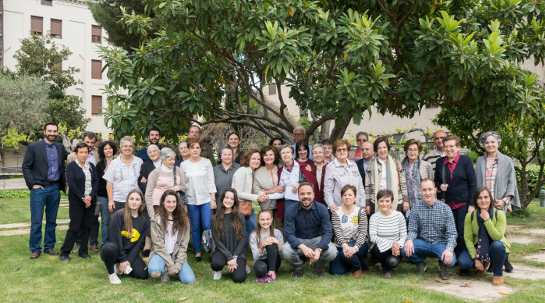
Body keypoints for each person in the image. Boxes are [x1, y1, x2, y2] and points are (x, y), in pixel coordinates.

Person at [22, 122, 69, 259]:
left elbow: (71, 156)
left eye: (55, 131)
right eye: (50, 131)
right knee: (36, 220)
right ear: (44, 132)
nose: (52, 134)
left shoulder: (60, 147)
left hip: (55, 188)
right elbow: (26, 167)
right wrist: (32, 184)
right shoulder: (33, 147)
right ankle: (35, 249)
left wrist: (89, 150)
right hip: (39, 189)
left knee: (52, 220)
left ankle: (49, 247)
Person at [475, 131, 520, 273]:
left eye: (492, 142)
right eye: (487, 142)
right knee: (487, 231)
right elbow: (476, 184)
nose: (490, 144)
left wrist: (506, 201)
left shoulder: (506, 160)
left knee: (499, 234)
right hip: (484, 203)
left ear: (498, 143)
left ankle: (503, 260)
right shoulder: (480, 161)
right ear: (484, 145)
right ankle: (498, 261)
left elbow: (511, 183)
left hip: (499, 203)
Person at [434, 134, 477, 268]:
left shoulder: (466, 161)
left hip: (463, 204)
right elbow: (435, 181)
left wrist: (471, 204)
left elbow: (473, 184)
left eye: (452, 146)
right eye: (446, 146)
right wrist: (440, 186)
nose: (448, 149)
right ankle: (450, 258)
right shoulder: (440, 162)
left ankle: (461, 258)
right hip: (446, 204)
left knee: (462, 233)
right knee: (449, 232)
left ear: (458, 147)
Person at [402, 179, 458, 280]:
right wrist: (409, 239)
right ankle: (420, 263)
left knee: (452, 261)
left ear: (435, 190)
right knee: (403, 249)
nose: (427, 193)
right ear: (420, 191)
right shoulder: (416, 208)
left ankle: (443, 265)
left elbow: (452, 233)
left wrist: (449, 249)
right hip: (422, 243)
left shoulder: (445, 209)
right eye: (424, 190)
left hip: (439, 243)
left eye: (430, 189)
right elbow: (413, 229)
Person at [457, 187, 510, 285]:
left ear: (490, 199)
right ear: (476, 200)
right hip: (478, 247)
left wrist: (487, 220)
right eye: (479, 198)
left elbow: (497, 237)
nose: (483, 200)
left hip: (495, 247)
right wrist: (476, 258)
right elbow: (468, 239)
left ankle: (498, 274)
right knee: (463, 263)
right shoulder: (470, 216)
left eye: (486, 197)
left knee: (497, 245)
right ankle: (483, 262)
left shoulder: (500, 214)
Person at [283, 183, 337, 278]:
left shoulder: (322, 208)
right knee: (285, 250)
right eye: (302, 194)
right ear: (298, 195)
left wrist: (319, 249)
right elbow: (288, 233)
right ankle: (298, 267)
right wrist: (303, 247)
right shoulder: (290, 210)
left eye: (309, 193)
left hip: (317, 239)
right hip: (299, 240)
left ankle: (319, 266)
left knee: (332, 251)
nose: (306, 196)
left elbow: (328, 232)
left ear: (313, 194)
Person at [59, 143, 100, 261]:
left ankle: (83, 251)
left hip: (90, 201)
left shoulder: (91, 165)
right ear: (76, 154)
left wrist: (90, 197)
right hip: (76, 201)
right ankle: (64, 253)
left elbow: (96, 182)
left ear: (88, 153)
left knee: (87, 227)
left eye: (85, 152)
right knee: (74, 227)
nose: (83, 155)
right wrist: (83, 198)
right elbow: (72, 184)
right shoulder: (71, 166)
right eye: (81, 152)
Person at [100, 190, 149, 284]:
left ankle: (119, 267)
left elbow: (137, 245)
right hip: (114, 251)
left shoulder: (143, 221)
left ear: (141, 202)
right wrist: (123, 259)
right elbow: (115, 239)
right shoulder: (118, 215)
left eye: (137, 199)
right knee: (109, 247)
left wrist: (128, 261)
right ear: (127, 201)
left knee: (142, 275)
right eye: (131, 199)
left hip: (128, 253)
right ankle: (111, 273)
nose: (134, 202)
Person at [147, 190, 195, 284]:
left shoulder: (184, 220)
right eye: (168, 202)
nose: (171, 204)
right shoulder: (156, 220)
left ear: (177, 203)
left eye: (174, 202)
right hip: (160, 254)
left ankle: (170, 270)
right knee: (155, 271)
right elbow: (158, 245)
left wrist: (177, 264)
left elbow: (183, 245)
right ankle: (165, 270)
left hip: (176, 255)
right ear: (163, 202)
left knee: (189, 280)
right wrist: (170, 264)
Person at [180, 138, 216, 262]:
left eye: (197, 148)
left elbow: (211, 181)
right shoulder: (184, 165)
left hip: (206, 198)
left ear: (201, 149)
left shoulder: (206, 162)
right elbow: (183, 184)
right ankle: (198, 253)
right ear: (188, 150)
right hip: (191, 200)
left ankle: (211, 251)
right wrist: (184, 203)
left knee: (207, 225)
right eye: (192, 148)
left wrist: (213, 199)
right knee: (194, 227)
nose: (195, 150)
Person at [232, 149, 264, 273]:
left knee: (251, 231)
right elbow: (238, 193)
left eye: (258, 159)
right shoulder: (242, 171)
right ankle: (239, 257)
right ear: (248, 159)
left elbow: (250, 190)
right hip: (240, 207)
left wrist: (264, 193)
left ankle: (240, 258)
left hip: (247, 208)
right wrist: (256, 197)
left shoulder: (250, 172)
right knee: (252, 231)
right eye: (254, 158)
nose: (256, 161)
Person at [68, 132, 101, 254]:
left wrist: (90, 196)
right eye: (88, 142)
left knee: (93, 220)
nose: (90, 144)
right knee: (76, 221)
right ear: (83, 141)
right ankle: (78, 245)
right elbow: (71, 179)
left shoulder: (98, 155)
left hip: (92, 194)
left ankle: (92, 243)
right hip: (77, 195)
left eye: (92, 142)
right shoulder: (72, 157)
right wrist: (82, 196)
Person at [329, 185, 369, 277]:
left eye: (350, 195)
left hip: (358, 243)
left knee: (344, 253)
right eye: (344, 195)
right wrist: (344, 246)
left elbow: (363, 232)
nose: (347, 197)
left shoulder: (360, 212)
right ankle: (349, 263)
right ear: (341, 197)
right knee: (336, 272)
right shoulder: (336, 212)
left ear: (355, 197)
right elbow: (337, 231)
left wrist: (355, 248)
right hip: (340, 245)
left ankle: (357, 267)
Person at [210, 188, 247, 283]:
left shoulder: (240, 216)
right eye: (227, 197)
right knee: (216, 264)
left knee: (239, 278)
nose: (229, 201)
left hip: (237, 252)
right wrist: (229, 257)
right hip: (222, 251)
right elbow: (217, 240)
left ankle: (242, 265)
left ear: (234, 201)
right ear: (222, 199)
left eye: (232, 198)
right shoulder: (214, 218)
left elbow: (243, 238)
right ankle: (218, 271)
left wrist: (235, 256)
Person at [103, 136, 143, 224]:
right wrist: (110, 200)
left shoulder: (139, 162)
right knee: (116, 225)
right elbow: (109, 182)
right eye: (125, 146)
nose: (127, 148)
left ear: (133, 148)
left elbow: (143, 179)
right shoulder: (114, 163)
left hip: (134, 201)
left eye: (130, 146)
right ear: (121, 148)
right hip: (118, 200)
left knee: (134, 226)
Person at [365, 137, 408, 216]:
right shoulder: (371, 164)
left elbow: (403, 183)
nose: (382, 150)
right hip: (376, 201)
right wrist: (367, 204)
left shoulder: (396, 162)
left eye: (384, 147)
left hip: (396, 200)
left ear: (388, 148)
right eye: (379, 148)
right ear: (376, 150)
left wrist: (405, 200)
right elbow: (367, 186)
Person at [369, 189, 407, 278]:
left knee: (392, 262)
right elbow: (373, 237)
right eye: (381, 201)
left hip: (396, 247)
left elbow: (404, 235)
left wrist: (397, 244)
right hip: (380, 248)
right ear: (377, 202)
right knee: (381, 249)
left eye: (387, 201)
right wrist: (392, 244)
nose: (384, 204)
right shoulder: (374, 217)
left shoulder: (399, 216)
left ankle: (389, 264)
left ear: (392, 202)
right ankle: (385, 268)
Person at [277, 145, 321, 214]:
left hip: (305, 200)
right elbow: (281, 191)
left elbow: (313, 183)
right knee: (290, 222)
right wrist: (267, 194)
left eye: (288, 152)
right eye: (283, 153)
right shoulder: (280, 171)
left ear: (293, 154)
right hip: (289, 202)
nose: (285, 155)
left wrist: (300, 185)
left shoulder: (303, 166)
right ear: (280, 156)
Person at [324, 139, 366, 212]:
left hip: (356, 206)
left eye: (344, 149)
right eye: (339, 150)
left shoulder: (354, 165)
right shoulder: (331, 167)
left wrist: (362, 204)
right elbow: (328, 190)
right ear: (335, 153)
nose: (342, 151)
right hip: (339, 208)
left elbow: (360, 186)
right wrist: (331, 204)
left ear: (348, 151)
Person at [145, 147, 187, 217]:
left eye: (174, 159)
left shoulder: (177, 170)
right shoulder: (155, 172)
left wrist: (176, 188)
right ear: (162, 160)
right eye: (170, 159)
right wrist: (151, 213)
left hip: (173, 205)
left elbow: (184, 187)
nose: (173, 162)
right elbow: (148, 194)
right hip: (158, 206)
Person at [254, 146, 285, 233]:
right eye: (265, 155)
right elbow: (257, 191)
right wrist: (273, 190)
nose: (268, 157)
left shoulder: (281, 166)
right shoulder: (258, 172)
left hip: (280, 201)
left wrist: (265, 191)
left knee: (280, 225)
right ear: (262, 157)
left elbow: (284, 187)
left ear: (275, 155)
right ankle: (267, 244)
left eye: (271, 154)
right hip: (266, 203)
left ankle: (280, 245)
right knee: (267, 225)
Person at [137, 144, 162, 255]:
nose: (152, 154)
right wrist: (152, 189)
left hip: (165, 198)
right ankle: (147, 246)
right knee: (150, 219)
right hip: (150, 198)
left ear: (159, 152)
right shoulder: (145, 165)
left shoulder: (165, 163)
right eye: (150, 152)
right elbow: (140, 182)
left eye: (154, 151)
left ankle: (161, 246)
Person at [250, 210, 284, 283]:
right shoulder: (253, 235)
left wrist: (277, 243)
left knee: (271, 243)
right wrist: (262, 246)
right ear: (258, 221)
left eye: (268, 219)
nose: (265, 222)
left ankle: (272, 274)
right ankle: (266, 273)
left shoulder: (277, 232)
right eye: (262, 219)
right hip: (260, 260)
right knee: (260, 271)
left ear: (272, 219)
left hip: (275, 261)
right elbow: (255, 257)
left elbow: (282, 254)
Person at [401, 139, 433, 217]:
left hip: (423, 201)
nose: (412, 152)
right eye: (410, 149)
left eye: (415, 149)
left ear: (419, 152)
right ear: (406, 151)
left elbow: (431, 186)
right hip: (406, 203)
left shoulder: (427, 165)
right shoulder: (400, 166)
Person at [95, 140, 118, 245]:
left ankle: (115, 242)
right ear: (102, 151)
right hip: (103, 196)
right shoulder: (99, 165)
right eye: (105, 149)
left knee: (115, 220)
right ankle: (105, 243)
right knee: (104, 221)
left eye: (110, 148)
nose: (108, 150)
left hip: (117, 195)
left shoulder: (119, 162)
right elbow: (96, 181)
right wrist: (104, 172)